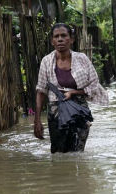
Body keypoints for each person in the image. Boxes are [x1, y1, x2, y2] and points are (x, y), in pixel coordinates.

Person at [34, 23, 109, 153]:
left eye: (64, 35)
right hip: (56, 110)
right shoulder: (46, 61)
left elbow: (94, 84)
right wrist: (37, 121)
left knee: (77, 152)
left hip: (79, 110)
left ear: (71, 39)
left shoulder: (82, 59)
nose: (60, 39)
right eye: (56, 36)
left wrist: (73, 92)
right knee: (58, 152)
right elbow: (41, 90)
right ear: (52, 41)